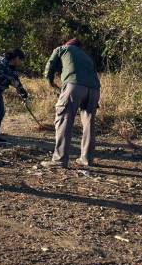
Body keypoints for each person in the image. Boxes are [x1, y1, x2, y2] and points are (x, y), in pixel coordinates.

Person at [41, 38, 101, 169]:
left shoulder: (62, 49)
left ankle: (59, 160)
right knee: (89, 124)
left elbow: (49, 67)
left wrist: (51, 83)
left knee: (64, 120)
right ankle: (87, 159)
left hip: (74, 87)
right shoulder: (87, 56)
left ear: (67, 44)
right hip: (94, 90)